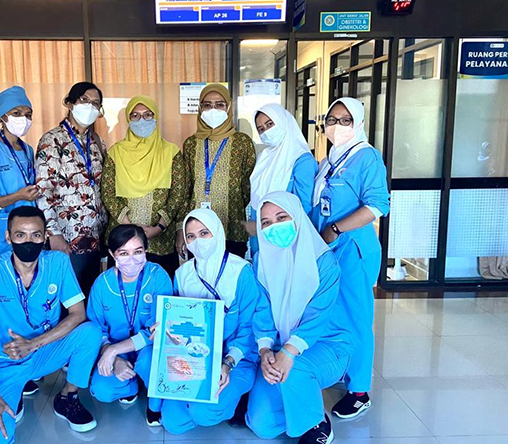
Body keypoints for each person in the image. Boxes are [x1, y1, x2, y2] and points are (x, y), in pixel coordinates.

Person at [0, 206, 102, 443]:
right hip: (4, 364)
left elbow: (78, 313)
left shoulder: (58, 262)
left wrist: (33, 344)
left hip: (42, 353)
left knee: (90, 333)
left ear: (45, 236)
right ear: (8, 237)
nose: (28, 242)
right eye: (20, 235)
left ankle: (67, 397)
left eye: (36, 235)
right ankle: (13, 391)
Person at [245, 191, 353, 444]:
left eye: (282, 217)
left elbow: (318, 316)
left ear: (297, 217)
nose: (274, 227)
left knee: (295, 370)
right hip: (280, 345)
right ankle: (302, 401)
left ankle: (316, 424)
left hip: (328, 345)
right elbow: (262, 310)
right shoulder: (261, 261)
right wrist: (265, 350)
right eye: (266, 223)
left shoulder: (323, 262)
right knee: (263, 425)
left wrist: (288, 352)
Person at [310, 97, 390, 419]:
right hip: (329, 249)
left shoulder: (366, 157)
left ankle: (359, 391)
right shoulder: (329, 160)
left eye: (345, 120)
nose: (338, 126)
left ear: (358, 123)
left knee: (357, 317)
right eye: (332, 120)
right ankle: (342, 369)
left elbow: (377, 205)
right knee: (334, 312)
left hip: (352, 248)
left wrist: (336, 228)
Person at [160, 208, 261, 434]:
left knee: (203, 413)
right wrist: (166, 329)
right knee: (173, 423)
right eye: (191, 236)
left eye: (204, 233)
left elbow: (248, 327)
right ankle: (208, 401)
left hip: (237, 359)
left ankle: (237, 399)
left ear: (217, 232)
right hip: (195, 357)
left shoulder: (241, 271)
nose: (198, 241)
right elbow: (177, 321)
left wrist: (227, 363)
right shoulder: (182, 274)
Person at [87, 224, 173, 427]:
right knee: (102, 390)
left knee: (149, 362)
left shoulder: (157, 276)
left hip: (149, 348)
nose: (132, 259)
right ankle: (131, 385)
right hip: (117, 350)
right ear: (112, 254)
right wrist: (114, 357)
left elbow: (156, 329)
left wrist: (114, 350)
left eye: (138, 251)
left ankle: (154, 401)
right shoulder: (102, 284)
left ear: (146, 250)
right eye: (123, 253)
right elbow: (96, 328)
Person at [102, 96, 189, 277]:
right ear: (128, 119)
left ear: (155, 117)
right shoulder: (115, 152)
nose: (142, 120)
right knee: (123, 286)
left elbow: (179, 194)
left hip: (161, 240)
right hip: (124, 241)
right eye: (135, 115)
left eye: (148, 115)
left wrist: (158, 228)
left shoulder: (171, 152)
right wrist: (131, 230)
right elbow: (108, 193)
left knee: (160, 286)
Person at [36, 82, 108, 294]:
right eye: (84, 100)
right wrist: (53, 233)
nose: (90, 107)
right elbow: (43, 190)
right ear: (69, 103)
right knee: (66, 297)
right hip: (66, 237)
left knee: (89, 294)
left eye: (95, 103)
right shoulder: (52, 140)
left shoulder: (97, 142)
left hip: (95, 237)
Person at [176, 84, 256, 260]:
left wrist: (231, 203)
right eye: (207, 105)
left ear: (228, 107)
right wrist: (181, 229)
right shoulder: (191, 143)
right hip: (196, 229)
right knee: (199, 273)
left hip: (232, 228)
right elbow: (185, 190)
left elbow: (248, 187)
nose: (213, 109)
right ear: (200, 108)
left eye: (219, 105)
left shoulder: (242, 142)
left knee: (230, 273)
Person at [0, 86, 39, 262]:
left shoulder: (27, 150)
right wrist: (17, 196)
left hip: (26, 232)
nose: (24, 119)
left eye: (28, 114)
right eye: (16, 113)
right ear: (3, 116)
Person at [246, 103, 318, 259]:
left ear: (283, 121)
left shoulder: (301, 159)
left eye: (270, 124)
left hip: (285, 237)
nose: (266, 131)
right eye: (261, 129)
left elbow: (303, 207)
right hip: (260, 231)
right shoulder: (264, 157)